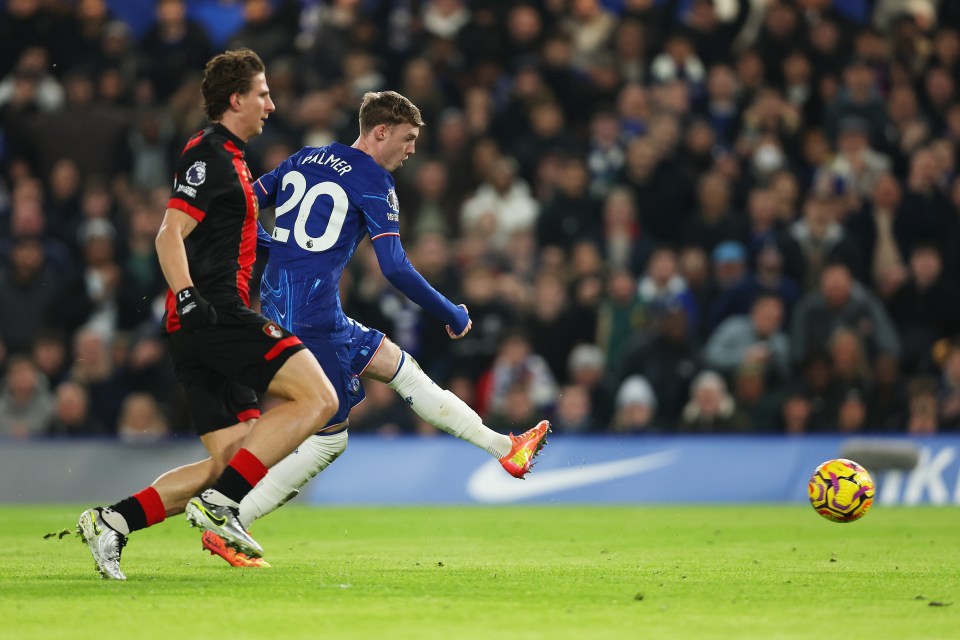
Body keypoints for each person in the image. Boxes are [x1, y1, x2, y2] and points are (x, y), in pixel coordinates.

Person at [201, 90, 551, 568]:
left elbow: (242, 205)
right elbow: (395, 266)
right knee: (330, 437)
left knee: (400, 369)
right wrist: (451, 312)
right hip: (314, 316)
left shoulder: (305, 157)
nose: (411, 150)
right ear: (380, 132)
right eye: (407, 139)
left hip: (289, 305)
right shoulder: (374, 182)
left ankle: (505, 448)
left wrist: (273, 244)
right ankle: (231, 515)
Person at [76, 48, 339, 580]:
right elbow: (168, 232)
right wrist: (188, 295)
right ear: (236, 98)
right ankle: (221, 507)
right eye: (262, 94)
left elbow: (222, 232)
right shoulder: (210, 153)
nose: (271, 104)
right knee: (319, 397)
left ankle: (112, 522)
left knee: (230, 460)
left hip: (202, 319)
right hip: (214, 315)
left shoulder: (234, 159)